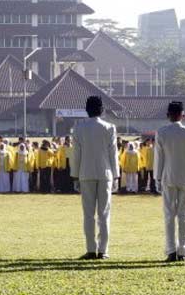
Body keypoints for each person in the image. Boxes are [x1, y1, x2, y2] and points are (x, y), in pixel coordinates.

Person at [70, 95, 119, 260]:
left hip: (85, 173)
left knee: (88, 214)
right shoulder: (109, 127)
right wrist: (116, 175)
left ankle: (91, 249)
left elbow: (76, 155)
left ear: (86, 110)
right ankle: (103, 250)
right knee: (104, 213)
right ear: (102, 110)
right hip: (106, 174)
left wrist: (75, 176)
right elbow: (114, 154)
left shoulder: (79, 128)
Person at [154, 101, 185, 262]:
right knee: (183, 215)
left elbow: (159, 158)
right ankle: (183, 250)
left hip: (168, 177)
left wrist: (157, 178)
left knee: (169, 215)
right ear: (183, 115)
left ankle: (171, 250)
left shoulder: (162, 132)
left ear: (168, 115)